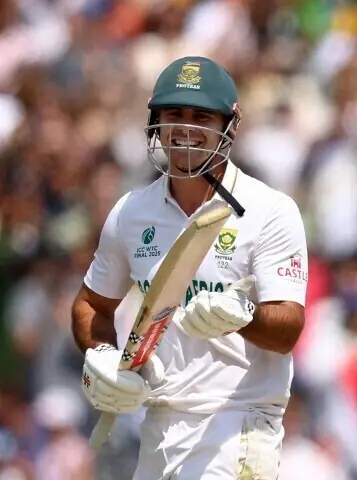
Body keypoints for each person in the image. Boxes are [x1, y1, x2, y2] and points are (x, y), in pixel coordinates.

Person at [71, 56, 308, 479]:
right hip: (157, 423)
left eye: (201, 116)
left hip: (238, 423)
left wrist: (241, 318)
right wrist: (103, 352)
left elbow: (288, 329)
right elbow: (91, 305)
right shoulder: (132, 211)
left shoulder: (270, 211)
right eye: (174, 114)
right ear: (154, 120)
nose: (185, 128)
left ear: (230, 123)